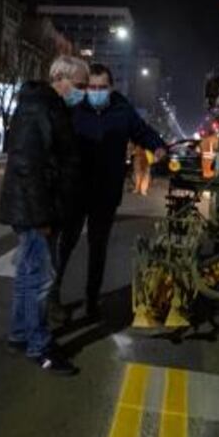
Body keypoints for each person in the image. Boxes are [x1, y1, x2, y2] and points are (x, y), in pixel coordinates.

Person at [52, 62, 166, 323]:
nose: (96, 91)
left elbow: (142, 131)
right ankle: (52, 296)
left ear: (111, 88)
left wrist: (158, 146)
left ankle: (92, 301)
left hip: (105, 192)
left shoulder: (122, 110)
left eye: (101, 87)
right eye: (91, 87)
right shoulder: (75, 108)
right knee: (65, 245)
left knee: (98, 248)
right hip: (76, 190)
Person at [0, 54, 86, 375]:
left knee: (27, 277)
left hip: (33, 207)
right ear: (60, 77)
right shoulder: (41, 107)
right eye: (80, 84)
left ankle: (20, 336)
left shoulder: (44, 105)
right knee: (39, 281)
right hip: (36, 210)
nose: (83, 91)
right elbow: (29, 166)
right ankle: (39, 346)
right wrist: (43, 216)